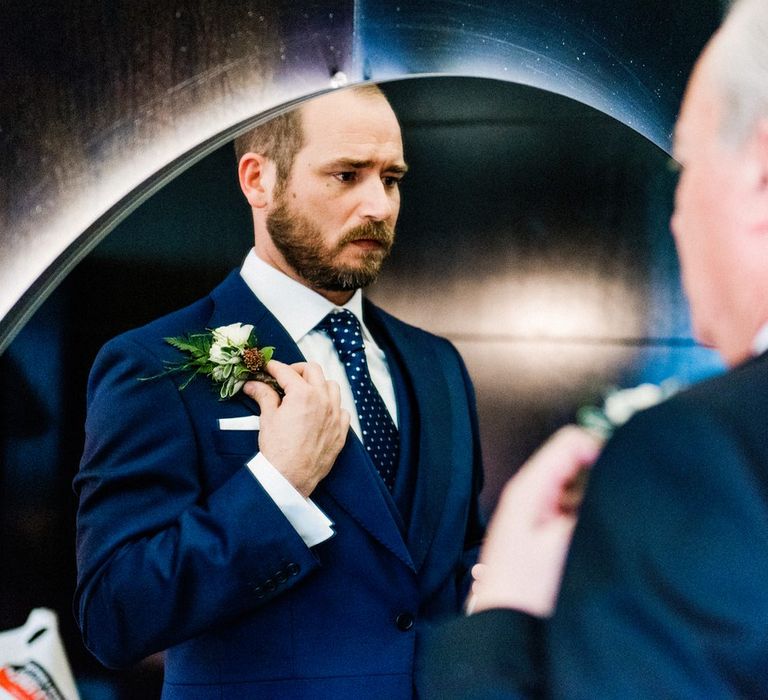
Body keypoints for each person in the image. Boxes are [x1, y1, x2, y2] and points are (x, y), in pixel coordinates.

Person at [74, 84, 484, 700]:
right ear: (258, 181)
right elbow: (114, 615)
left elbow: (451, 563)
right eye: (346, 175)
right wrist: (278, 485)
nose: (378, 204)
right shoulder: (149, 365)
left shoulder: (438, 364)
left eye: (392, 178)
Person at [420, 0, 768, 696]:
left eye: (686, 168)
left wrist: (504, 615)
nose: (675, 214)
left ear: (760, 172)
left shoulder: (702, 456)